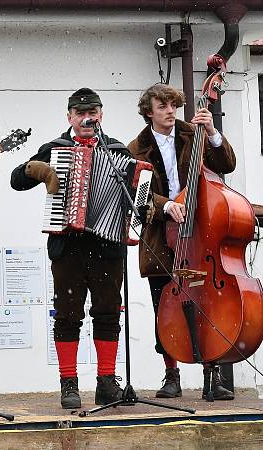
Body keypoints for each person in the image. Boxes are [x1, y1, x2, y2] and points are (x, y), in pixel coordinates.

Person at [10, 88, 149, 409]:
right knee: (68, 315)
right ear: (70, 117)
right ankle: (68, 384)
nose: (88, 118)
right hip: (67, 245)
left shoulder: (118, 152)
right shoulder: (55, 148)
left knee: (108, 312)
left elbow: (138, 194)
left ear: (101, 115)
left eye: (94, 112)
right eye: (81, 113)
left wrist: (143, 206)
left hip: (108, 245)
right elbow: (17, 180)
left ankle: (106, 382)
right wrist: (39, 169)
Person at [127, 83, 236, 401]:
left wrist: (213, 132)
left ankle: (211, 376)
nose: (170, 111)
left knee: (207, 305)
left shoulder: (194, 133)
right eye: (163, 106)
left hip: (199, 236)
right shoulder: (136, 148)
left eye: (173, 105)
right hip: (161, 237)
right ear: (149, 111)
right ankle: (171, 374)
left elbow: (226, 165)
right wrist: (166, 205)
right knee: (166, 307)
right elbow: (138, 193)